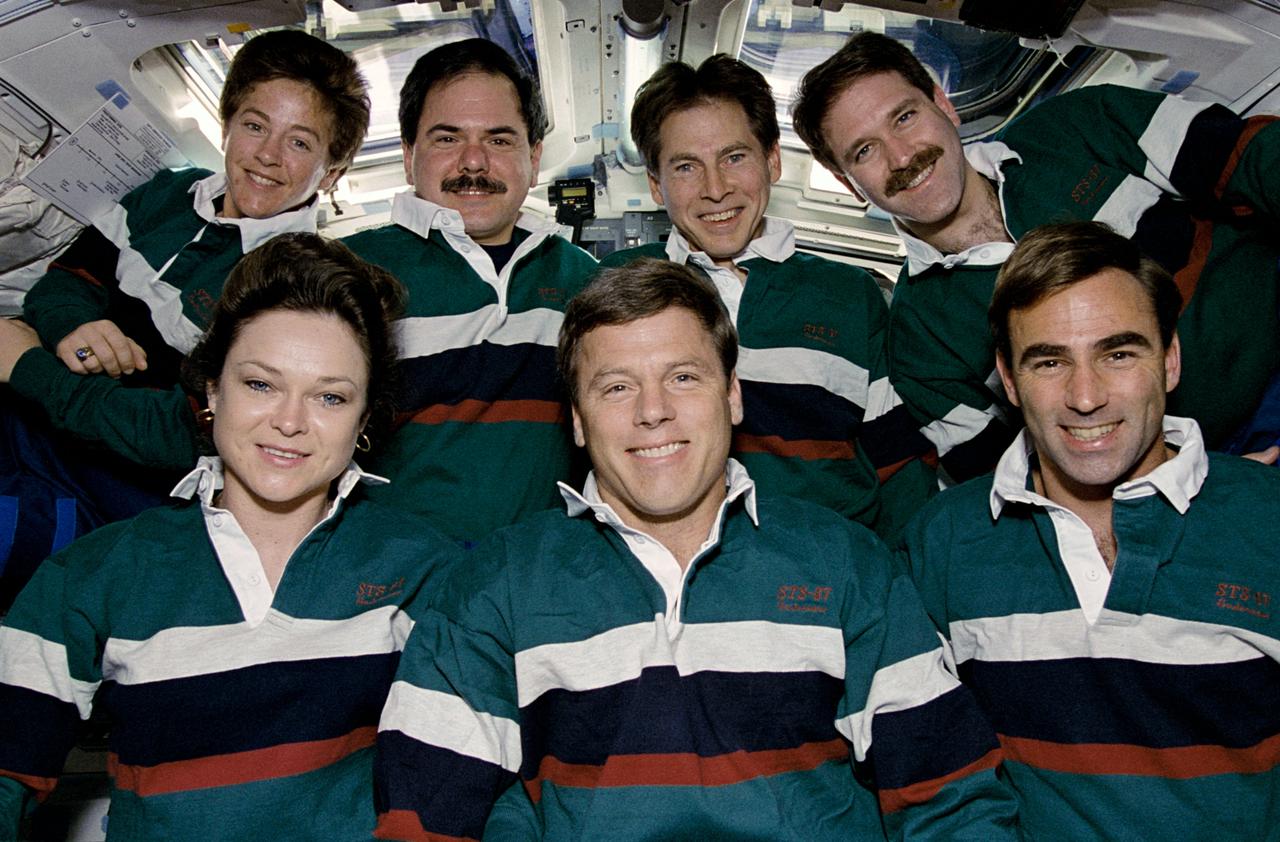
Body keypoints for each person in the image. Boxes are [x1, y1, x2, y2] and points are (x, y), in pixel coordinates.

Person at [372, 258, 1019, 841]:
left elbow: (952, 799)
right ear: (574, 416)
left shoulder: (842, 563)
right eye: (616, 386)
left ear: (733, 394)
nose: (653, 411)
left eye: (683, 376)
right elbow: (423, 821)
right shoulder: (495, 586)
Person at [0, 233, 459, 840]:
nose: (290, 422)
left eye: (329, 396)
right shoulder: (95, 574)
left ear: (365, 416)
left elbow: (472, 780)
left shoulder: (423, 569)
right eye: (260, 385)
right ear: (211, 392)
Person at [898, 221, 1280, 840]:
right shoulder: (941, 543)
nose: (1085, 396)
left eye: (1119, 353)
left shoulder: (1266, 517)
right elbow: (932, 774)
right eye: (1050, 361)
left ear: (1171, 359)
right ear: (1011, 380)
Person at [791, 31, 1280, 482]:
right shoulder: (919, 346)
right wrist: (1189, 482)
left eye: (904, 117)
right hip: (1213, 464)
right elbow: (1005, 478)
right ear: (846, 184)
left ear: (944, 105)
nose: (901, 157)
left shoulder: (1081, 124)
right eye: (864, 152)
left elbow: (1250, 155)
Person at [0, 28, 371, 601]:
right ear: (227, 125)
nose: (267, 156)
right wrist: (75, 329)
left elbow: (181, 432)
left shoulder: (292, 280)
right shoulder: (165, 194)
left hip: (117, 486)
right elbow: (61, 286)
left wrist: (28, 367)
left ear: (332, 171)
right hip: (38, 420)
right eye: (254, 126)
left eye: (300, 143)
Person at [598, 55, 934, 541]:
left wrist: (893, 581)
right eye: (687, 166)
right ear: (656, 184)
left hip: (828, 575)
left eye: (734, 158)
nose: (716, 189)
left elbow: (900, 466)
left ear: (772, 161)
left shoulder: (851, 295)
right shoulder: (613, 285)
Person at [342, 38, 597, 546]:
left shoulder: (585, 280)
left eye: (500, 140)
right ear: (409, 154)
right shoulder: (346, 270)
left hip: (536, 576)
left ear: (534, 155)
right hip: (385, 583)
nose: (474, 162)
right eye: (448, 139)